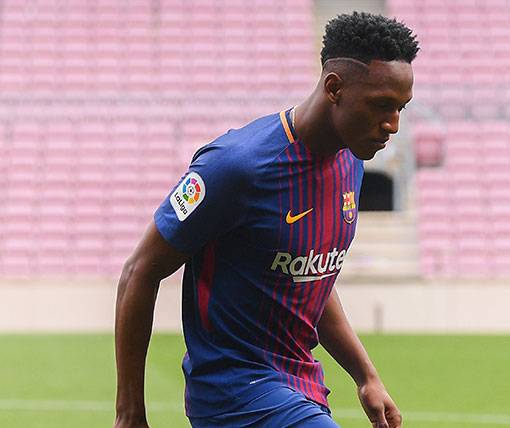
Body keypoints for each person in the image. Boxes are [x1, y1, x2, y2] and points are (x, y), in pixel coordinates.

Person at [114, 11, 418, 428]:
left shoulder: (351, 163)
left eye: (401, 108)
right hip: (232, 391)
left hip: (303, 386)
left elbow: (309, 277)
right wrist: (130, 411)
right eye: (381, 105)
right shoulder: (236, 167)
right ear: (334, 88)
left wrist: (366, 376)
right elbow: (139, 271)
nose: (393, 124)